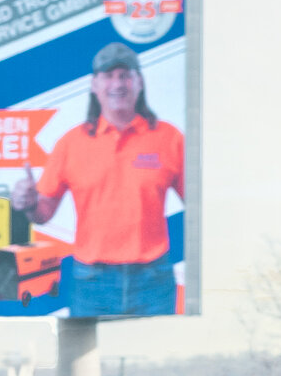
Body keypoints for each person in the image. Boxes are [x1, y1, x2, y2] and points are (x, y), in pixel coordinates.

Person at [12, 44, 183, 318]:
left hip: (154, 282)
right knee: (90, 360)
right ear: (94, 85)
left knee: (154, 358)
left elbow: (199, 207)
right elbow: (42, 214)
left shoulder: (170, 139)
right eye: (108, 75)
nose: (117, 83)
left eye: (125, 75)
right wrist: (29, 203)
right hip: (91, 284)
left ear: (139, 82)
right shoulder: (70, 144)